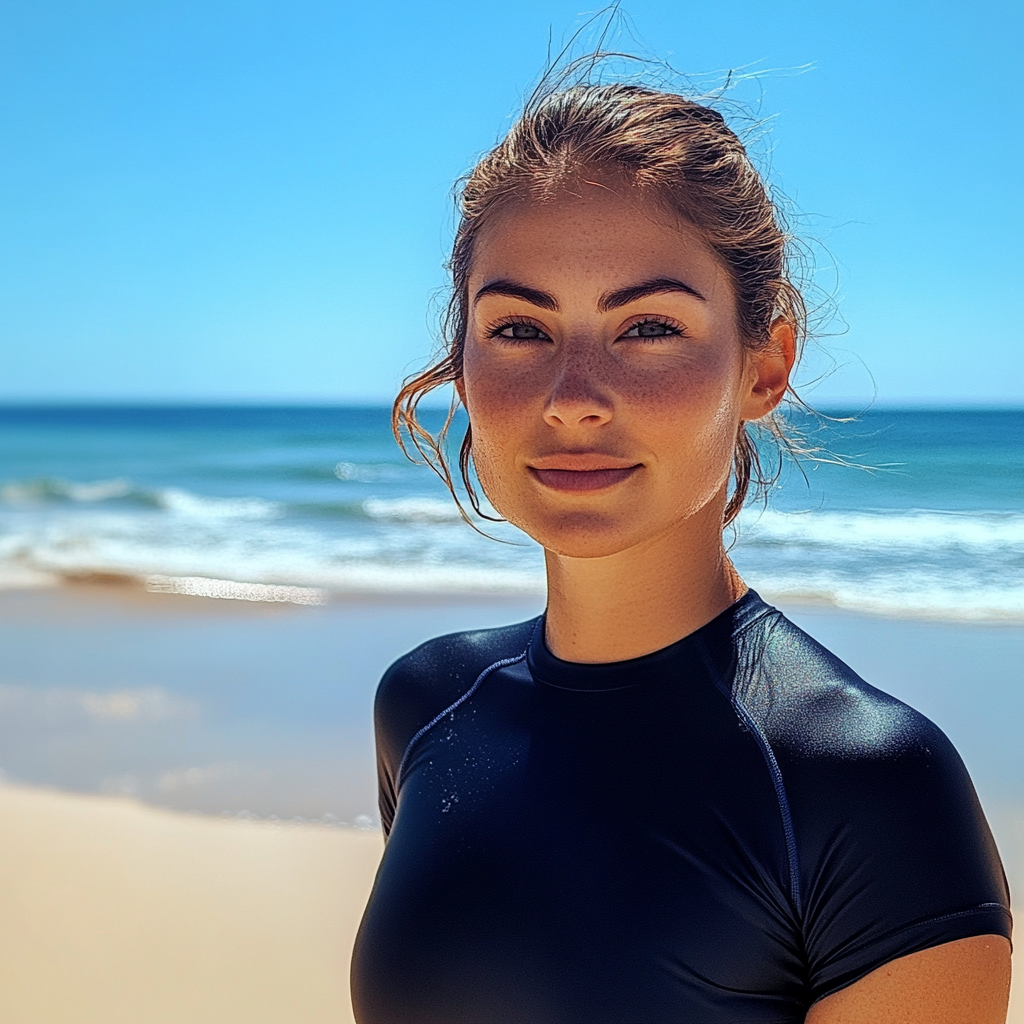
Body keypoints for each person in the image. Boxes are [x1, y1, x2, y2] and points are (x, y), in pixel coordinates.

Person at [350, 79, 1011, 1023]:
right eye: (520, 328)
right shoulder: (423, 706)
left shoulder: (868, 786)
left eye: (649, 327)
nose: (573, 395)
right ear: (463, 363)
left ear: (765, 365)